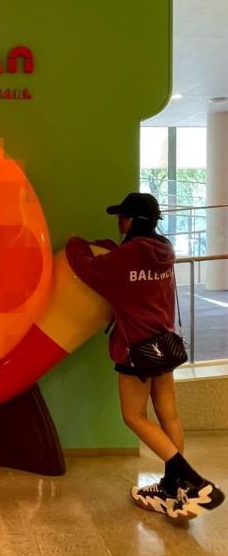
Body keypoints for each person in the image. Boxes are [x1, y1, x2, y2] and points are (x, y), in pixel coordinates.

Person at [66, 192, 225, 520]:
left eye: (120, 217)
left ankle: (191, 481)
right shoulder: (164, 250)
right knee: (169, 416)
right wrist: (111, 248)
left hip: (136, 351)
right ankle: (173, 489)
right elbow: (129, 269)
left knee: (133, 416)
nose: (118, 222)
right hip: (165, 346)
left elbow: (86, 269)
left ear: (128, 221)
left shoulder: (126, 256)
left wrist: (75, 244)